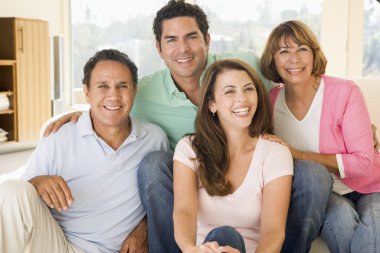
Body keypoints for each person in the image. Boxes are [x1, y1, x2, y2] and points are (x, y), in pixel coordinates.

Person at [44, 1, 332, 252]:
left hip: (257, 163)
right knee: (153, 164)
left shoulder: (246, 66)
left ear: (207, 39)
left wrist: (345, 119)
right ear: (158, 48)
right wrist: (78, 114)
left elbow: (298, 75)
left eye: (191, 37)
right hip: (194, 174)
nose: (182, 48)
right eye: (171, 40)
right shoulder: (145, 94)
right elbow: (111, 98)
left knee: (313, 174)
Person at [0, 49, 169, 253]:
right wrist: (37, 183)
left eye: (122, 86)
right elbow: (20, 199)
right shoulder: (58, 136)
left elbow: (160, 195)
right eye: (102, 86)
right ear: (87, 93)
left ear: (134, 90)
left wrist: (145, 228)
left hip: (117, 250)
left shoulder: (154, 138)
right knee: (10, 189)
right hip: (60, 245)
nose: (113, 96)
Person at [260, 20, 380, 253]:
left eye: (302, 49)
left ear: (314, 55)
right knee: (340, 225)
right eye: (284, 51)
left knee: (375, 229)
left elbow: (364, 164)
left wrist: (300, 154)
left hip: (371, 186)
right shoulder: (270, 102)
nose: (294, 59)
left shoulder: (345, 92)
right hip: (326, 193)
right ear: (273, 60)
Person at [173, 59, 293, 253]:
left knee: (227, 236)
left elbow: (273, 232)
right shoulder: (189, 149)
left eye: (248, 89)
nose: (242, 99)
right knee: (222, 237)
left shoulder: (275, 153)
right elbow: (183, 211)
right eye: (229, 92)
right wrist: (189, 249)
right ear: (212, 104)